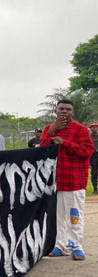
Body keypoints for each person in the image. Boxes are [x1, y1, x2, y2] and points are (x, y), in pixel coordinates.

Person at [41, 100, 94, 261]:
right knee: (58, 217)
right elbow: (41, 149)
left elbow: (87, 151)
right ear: (55, 111)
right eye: (61, 109)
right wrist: (53, 131)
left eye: (68, 109)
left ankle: (76, 246)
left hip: (74, 181)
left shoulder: (80, 130)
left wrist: (65, 143)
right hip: (55, 182)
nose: (64, 112)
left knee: (74, 215)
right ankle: (60, 246)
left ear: (73, 112)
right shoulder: (49, 129)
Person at [89, 123, 98, 195]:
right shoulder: (89, 137)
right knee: (94, 173)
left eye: (96, 127)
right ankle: (95, 189)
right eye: (93, 128)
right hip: (93, 156)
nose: (94, 129)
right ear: (91, 129)